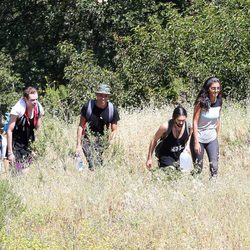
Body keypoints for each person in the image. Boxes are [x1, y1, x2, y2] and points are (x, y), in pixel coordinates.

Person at [76, 83, 120, 169]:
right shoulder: (88, 106)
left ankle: (94, 178)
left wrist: (110, 143)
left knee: (98, 163)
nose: (103, 98)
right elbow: (81, 125)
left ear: (108, 97)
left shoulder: (112, 109)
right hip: (88, 139)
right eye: (100, 95)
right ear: (96, 95)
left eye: (106, 96)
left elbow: (114, 130)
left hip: (103, 140)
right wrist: (78, 145)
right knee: (92, 161)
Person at [190, 77, 222, 178]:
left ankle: (213, 188)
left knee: (214, 166)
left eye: (218, 88)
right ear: (208, 88)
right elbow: (194, 121)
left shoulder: (219, 101)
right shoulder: (201, 102)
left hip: (211, 137)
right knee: (198, 167)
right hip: (199, 137)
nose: (216, 90)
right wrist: (196, 142)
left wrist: (216, 138)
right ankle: (195, 185)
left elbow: (218, 120)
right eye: (213, 88)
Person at [7, 87, 44, 169]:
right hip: (17, 142)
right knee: (18, 169)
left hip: (29, 140)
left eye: (36, 99)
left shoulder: (38, 109)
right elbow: (9, 130)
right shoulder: (18, 109)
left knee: (29, 167)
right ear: (25, 99)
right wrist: (10, 152)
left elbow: (38, 129)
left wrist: (36, 147)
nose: (35, 102)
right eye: (32, 100)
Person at [146, 105, 192, 170]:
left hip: (180, 156)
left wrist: (188, 146)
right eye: (179, 120)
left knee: (183, 174)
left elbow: (191, 135)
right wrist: (149, 158)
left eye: (183, 120)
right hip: (166, 156)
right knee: (170, 170)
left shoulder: (188, 126)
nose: (181, 123)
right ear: (174, 118)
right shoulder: (165, 127)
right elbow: (154, 139)